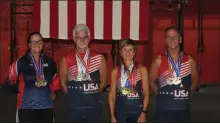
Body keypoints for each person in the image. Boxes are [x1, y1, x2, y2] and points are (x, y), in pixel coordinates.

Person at [5, 32, 60, 122]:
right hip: (26, 107)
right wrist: (19, 92)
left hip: (46, 107)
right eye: (33, 42)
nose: (36, 44)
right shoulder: (21, 62)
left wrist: (54, 92)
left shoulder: (50, 62)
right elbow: (9, 80)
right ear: (29, 45)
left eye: (39, 41)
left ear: (42, 43)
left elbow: (55, 79)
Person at [59, 24, 107, 122]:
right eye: (79, 37)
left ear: (89, 38)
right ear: (74, 39)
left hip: (93, 108)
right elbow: (62, 82)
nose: (82, 40)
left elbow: (104, 82)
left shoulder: (99, 57)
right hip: (73, 109)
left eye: (85, 37)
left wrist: (92, 95)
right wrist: (73, 96)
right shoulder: (66, 58)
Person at [149, 26, 198, 122]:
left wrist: (187, 95)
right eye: (169, 37)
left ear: (180, 39)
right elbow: (151, 80)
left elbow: (195, 81)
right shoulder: (158, 60)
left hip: (183, 109)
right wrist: (159, 94)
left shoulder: (189, 60)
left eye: (175, 36)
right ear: (165, 41)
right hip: (163, 109)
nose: (172, 39)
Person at [109, 39, 149, 123]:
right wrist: (112, 115)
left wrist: (144, 112)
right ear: (120, 52)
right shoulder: (115, 71)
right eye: (125, 50)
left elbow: (146, 94)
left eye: (130, 50)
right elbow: (112, 96)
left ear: (134, 52)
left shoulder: (142, 69)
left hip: (137, 111)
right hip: (121, 112)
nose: (128, 52)